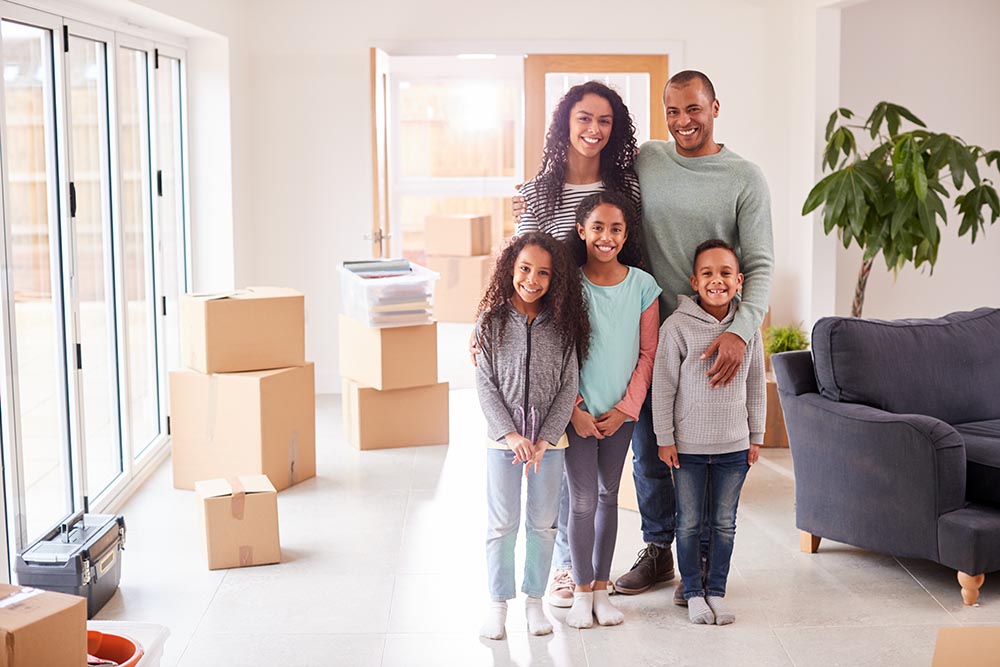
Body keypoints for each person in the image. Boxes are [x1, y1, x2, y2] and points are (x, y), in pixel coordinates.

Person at [613, 70, 774, 604]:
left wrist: (743, 334)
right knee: (650, 451)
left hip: (713, 341)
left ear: (715, 107)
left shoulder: (744, 177)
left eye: (694, 109)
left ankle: (701, 561)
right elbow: (596, 199)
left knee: (704, 456)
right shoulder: (648, 161)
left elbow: (759, 264)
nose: (684, 121)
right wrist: (531, 206)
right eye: (673, 112)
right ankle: (659, 548)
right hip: (648, 331)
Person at [513, 80, 640, 608]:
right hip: (552, 337)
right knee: (566, 460)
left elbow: (631, 254)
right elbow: (518, 263)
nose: (594, 129)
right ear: (566, 123)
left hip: (607, 338)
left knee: (594, 476)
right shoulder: (538, 191)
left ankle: (582, 566)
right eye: (584, 118)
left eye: (605, 121)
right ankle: (566, 566)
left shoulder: (625, 186)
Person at [474, 232, 589, 640]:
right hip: (501, 441)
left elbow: (568, 384)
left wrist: (545, 438)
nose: (532, 279)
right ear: (510, 268)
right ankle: (497, 605)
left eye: (543, 272)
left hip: (549, 443)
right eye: (525, 269)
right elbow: (485, 384)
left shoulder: (562, 326)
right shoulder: (491, 321)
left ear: (554, 278)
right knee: (502, 523)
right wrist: (509, 435)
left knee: (543, 523)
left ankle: (535, 603)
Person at [652, 239, 765, 625]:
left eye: (725, 273)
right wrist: (664, 438)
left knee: (724, 523)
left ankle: (717, 591)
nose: (717, 280)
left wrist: (757, 436)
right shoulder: (677, 327)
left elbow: (755, 385)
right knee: (688, 522)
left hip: (734, 447)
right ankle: (694, 593)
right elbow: (664, 386)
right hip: (688, 448)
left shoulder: (747, 328)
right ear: (694, 281)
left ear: (739, 281)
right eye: (708, 273)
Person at [562, 191, 660, 628]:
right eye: (597, 227)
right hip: (577, 414)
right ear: (581, 230)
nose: (606, 236)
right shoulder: (568, 284)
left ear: (626, 233)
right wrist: (575, 409)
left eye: (615, 228)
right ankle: (581, 589)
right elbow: (559, 352)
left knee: (607, 497)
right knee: (582, 500)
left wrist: (626, 409)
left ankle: (602, 589)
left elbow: (648, 354)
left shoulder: (642, 285)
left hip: (621, 415)